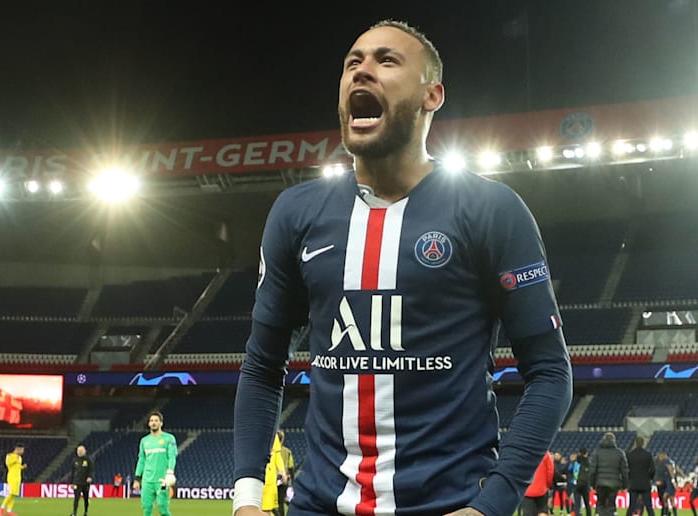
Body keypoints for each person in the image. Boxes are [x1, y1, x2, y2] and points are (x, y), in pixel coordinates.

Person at [232, 18, 573, 516]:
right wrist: (245, 499)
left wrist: (491, 505)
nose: (361, 70)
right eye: (352, 63)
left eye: (386, 60)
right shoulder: (296, 213)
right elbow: (263, 365)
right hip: (319, 505)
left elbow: (549, 371)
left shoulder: (491, 209)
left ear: (432, 95)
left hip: (450, 505)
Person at [133, 411, 178, 516]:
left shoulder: (169, 438)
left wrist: (170, 472)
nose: (154, 423)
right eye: (152, 421)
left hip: (162, 480)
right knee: (146, 508)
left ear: (161, 423)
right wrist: (137, 478)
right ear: (149, 423)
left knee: (163, 509)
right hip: (147, 480)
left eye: (156, 421)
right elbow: (141, 460)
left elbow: (172, 457)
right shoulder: (144, 441)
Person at [590, 432, 628, 516]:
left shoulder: (597, 452)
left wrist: (592, 485)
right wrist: (625, 486)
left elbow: (592, 470)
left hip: (600, 483)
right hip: (614, 484)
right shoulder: (620, 453)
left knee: (600, 505)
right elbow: (624, 471)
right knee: (611, 505)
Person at [626, 437, 655, 516]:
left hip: (633, 484)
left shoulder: (629, 455)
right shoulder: (647, 455)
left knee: (631, 506)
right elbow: (652, 469)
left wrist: (630, 478)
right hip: (645, 484)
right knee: (649, 507)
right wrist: (649, 477)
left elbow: (626, 469)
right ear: (643, 443)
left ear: (635, 443)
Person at [521, 451, 553, 516]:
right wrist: (547, 485)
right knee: (542, 511)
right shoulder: (546, 454)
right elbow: (550, 471)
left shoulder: (523, 453)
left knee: (528, 513)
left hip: (527, 489)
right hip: (542, 489)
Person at [263, 432, 287, 515]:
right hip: (257, 477)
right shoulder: (254, 434)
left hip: (269, 478)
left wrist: (282, 472)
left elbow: (277, 456)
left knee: (267, 508)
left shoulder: (274, 436)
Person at [0, 443, 26, 516]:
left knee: (14, 494)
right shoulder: (9, 456)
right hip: (11, 477)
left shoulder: (19, 458)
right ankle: (2, 508)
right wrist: (14, 460)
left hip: (18, 477)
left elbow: (17, 466)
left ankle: (9, 511)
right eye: (22, 450)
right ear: (17, 449)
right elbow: (8, 464)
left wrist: (23, 467)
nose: (23, 452)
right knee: (10, 493)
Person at [70, 444, 94, 516]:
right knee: (76, 498)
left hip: (85, 483)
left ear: (84, 451)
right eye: (78, 450)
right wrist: (71, 482)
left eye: (81, 450)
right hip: (77, 482)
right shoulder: (74, 460)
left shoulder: (88, 460)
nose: (79, 452)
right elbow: (72, 472)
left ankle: (86, 512)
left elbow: (91, 469)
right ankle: (74, 513)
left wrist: (90, 477)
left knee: (86, 498)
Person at [277, 430, 295, 516]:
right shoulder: (287, 452)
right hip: (284, 480)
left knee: (271, 503)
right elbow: (291, 468)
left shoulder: (271, 451)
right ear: (282, 439)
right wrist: (293, 483)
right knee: (281, 502)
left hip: (273, 480)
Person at [572, 448, 592, 516]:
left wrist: (576, 479)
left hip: (578, 483)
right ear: (586, 453)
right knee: (587, 503)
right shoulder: (588, 462)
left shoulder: (577, 462)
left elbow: (574, 472)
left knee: (577, 503)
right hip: (586, 484)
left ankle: (577, 514)